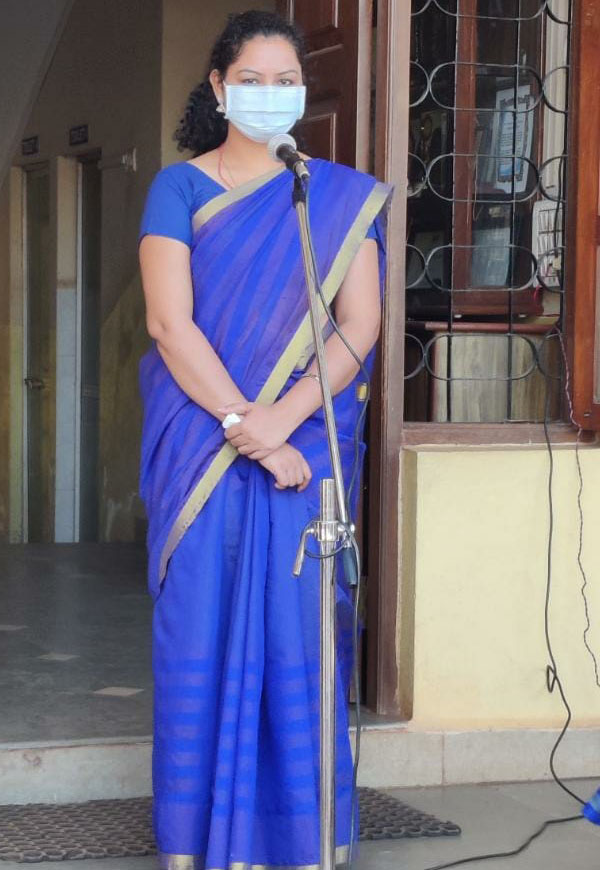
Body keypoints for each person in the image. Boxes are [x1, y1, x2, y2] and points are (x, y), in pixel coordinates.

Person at [137, 10, 392, 870]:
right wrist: (246, 428)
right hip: (201, 444)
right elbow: (171, 326)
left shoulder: (342, 196)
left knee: (300, 633)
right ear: (218, 86)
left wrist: (282, 424)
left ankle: (301, 837)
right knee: (200, 627)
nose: (271, 96)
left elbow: (360, 325)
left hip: (303, 452)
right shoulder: (179, 189)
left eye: (289, 83)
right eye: (253, 79)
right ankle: (198, 840)